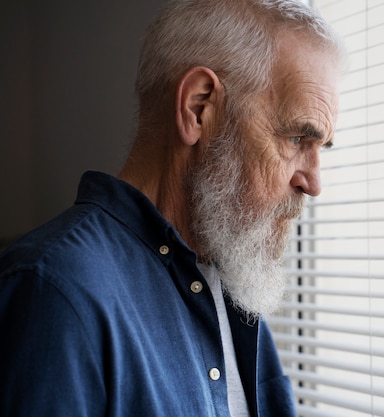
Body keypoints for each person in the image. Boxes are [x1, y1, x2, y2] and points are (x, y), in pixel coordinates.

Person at [0, 0, 345, 415]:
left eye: (320, 148)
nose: (313, 183)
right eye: (295, 139)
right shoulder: (53, 292)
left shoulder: (232, 285)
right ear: (199, 109)